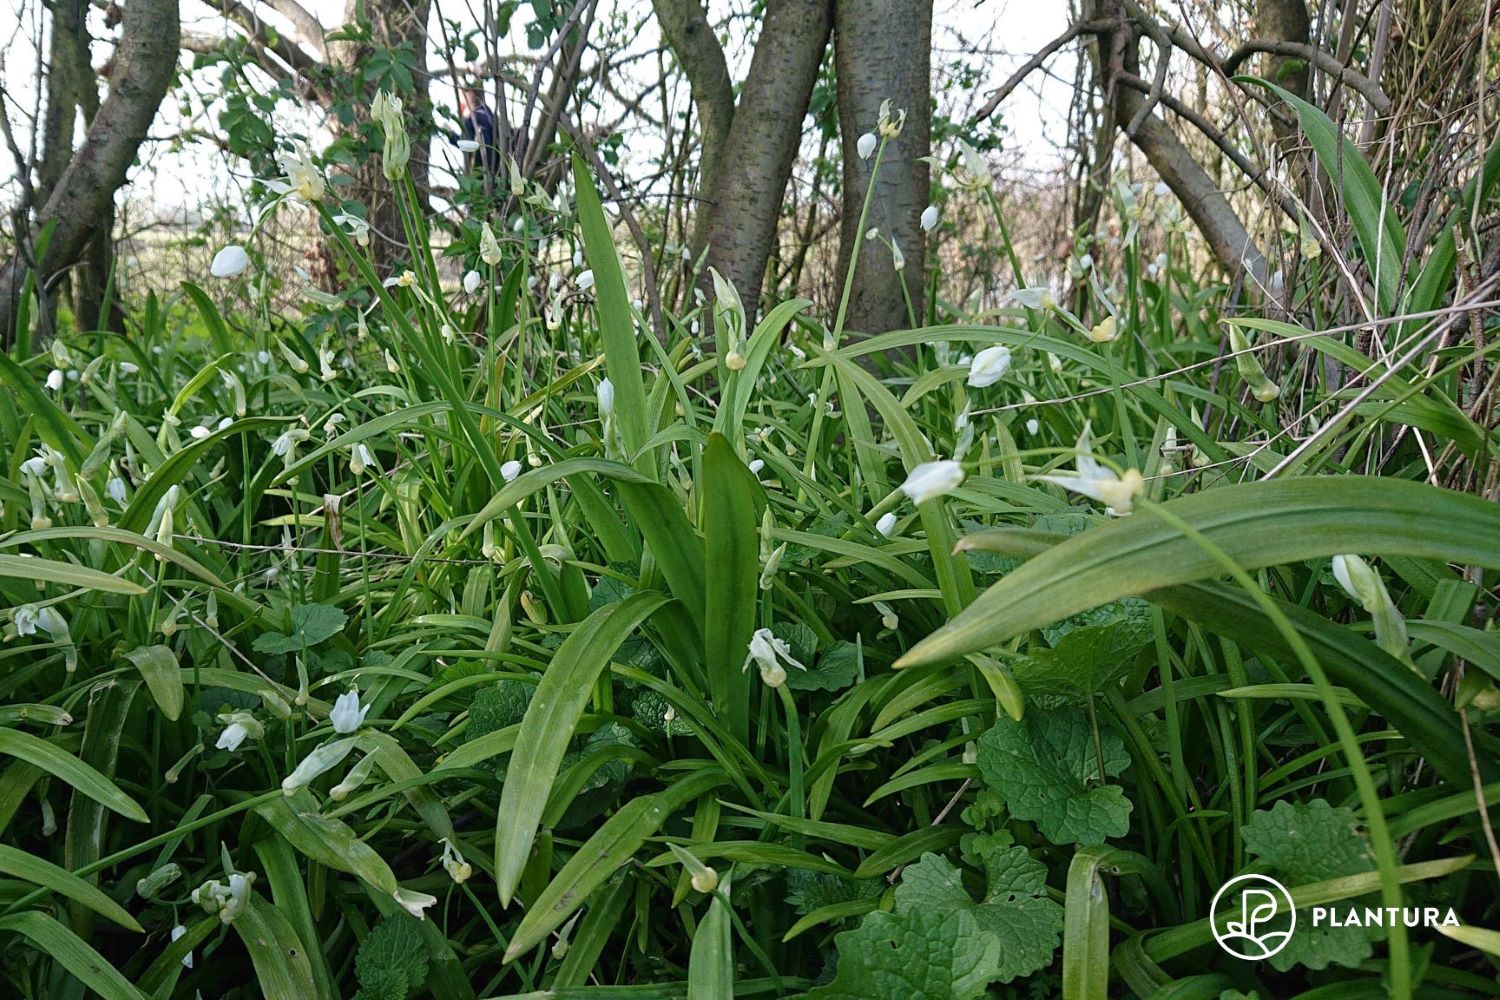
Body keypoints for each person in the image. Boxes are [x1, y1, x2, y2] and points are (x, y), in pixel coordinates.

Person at [455, 88, 501, 177]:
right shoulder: (494, 118)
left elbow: (470, 146)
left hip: (480, 174)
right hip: (498, 173)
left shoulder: (471, 120)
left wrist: (450, 134)